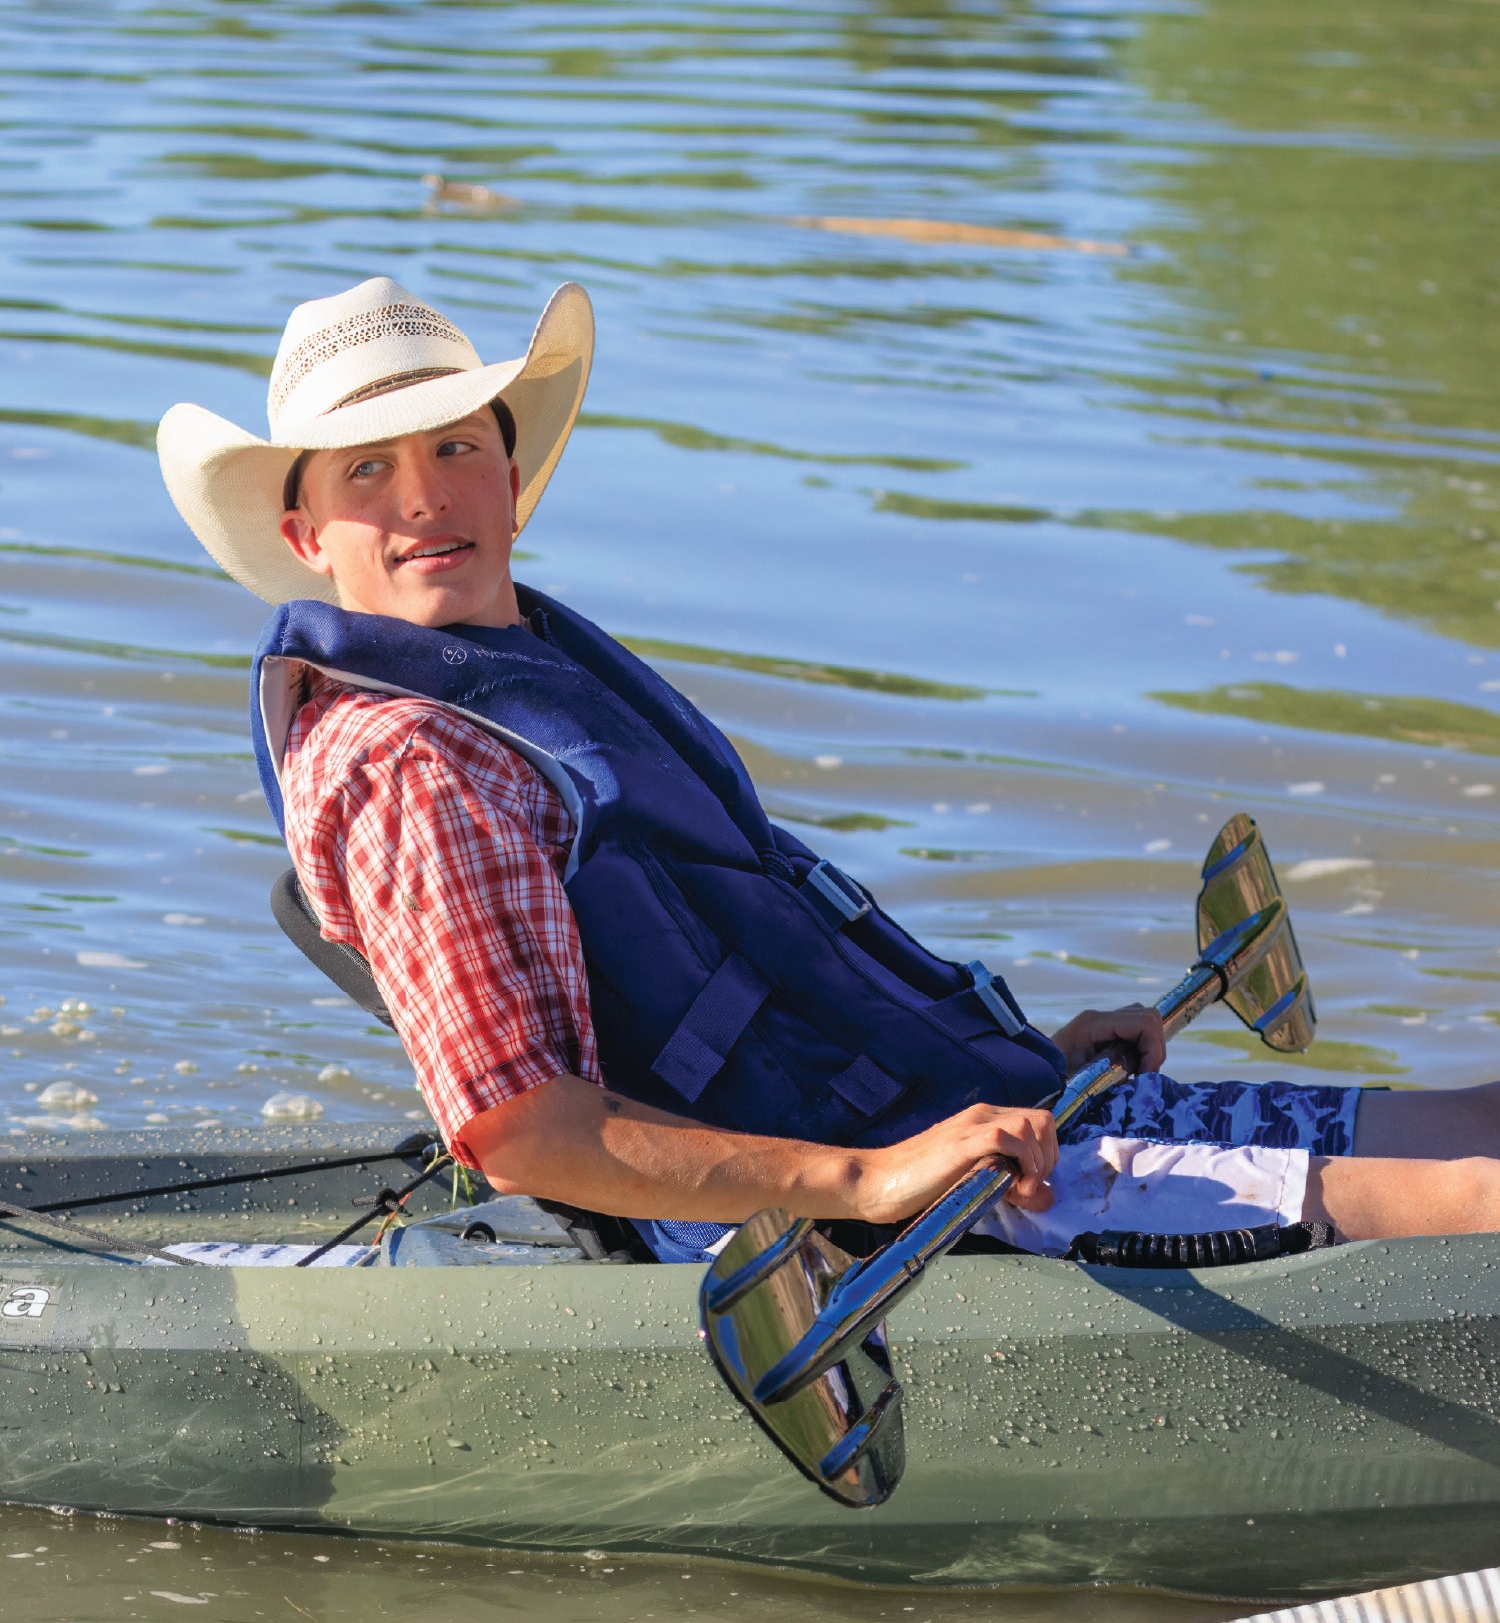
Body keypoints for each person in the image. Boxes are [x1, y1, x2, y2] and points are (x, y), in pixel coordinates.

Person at [157, 276, 1500, 1263]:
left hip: (963, 1133)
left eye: (457, 444)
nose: (423, 496)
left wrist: (1024, 1062)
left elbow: (758, 956)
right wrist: (874, 1176)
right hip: (828, 1230)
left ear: (513, 474)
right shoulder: (413, 767)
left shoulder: (536, 673)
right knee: (1476, 1202)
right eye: (370, 470)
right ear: (305, 531)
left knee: (1479, 1121)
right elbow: (527, 1133)